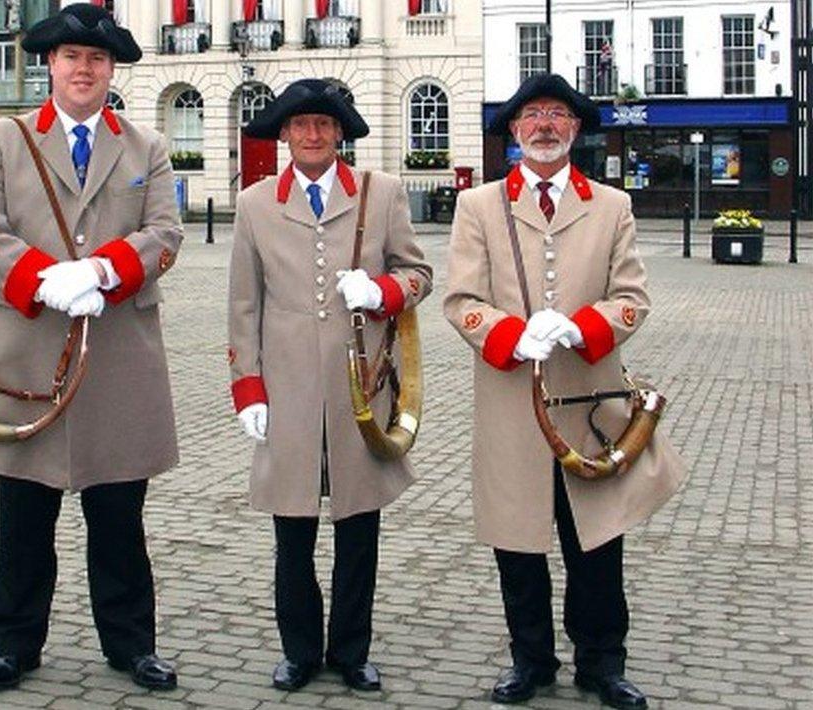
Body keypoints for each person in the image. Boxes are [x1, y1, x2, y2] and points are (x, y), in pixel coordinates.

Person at [0, 4, 183, 693]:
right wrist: (45, 278)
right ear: (49, 65)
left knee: (119, 516)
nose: (83, 70)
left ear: (111, 69)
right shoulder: (4, 138)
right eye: (70, 58)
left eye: (96, 59)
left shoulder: (146, 146)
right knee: (23, 516)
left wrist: (104, 270)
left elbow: (165, 233)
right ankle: (13, 644)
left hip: (118, 355)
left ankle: (131, 643)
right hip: (28, 354)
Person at [443, 74, 685, 709]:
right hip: (510, 401)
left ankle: (603, 663)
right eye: (531, 116)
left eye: (557, 115)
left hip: (592, 404)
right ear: (514, 132)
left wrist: (582, 326)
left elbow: (633, 299)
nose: (544, 125)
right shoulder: (479, 206)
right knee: (517, 543)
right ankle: (532, 660)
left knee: (597, 544)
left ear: (575, 130)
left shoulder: (610, 205)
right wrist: (505, 334)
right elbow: (461, 298)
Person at [228, 79, 432, 693]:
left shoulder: (383, 193)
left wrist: (384, 291)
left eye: (324, 124)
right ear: (285, 134)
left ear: (340, 133)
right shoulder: (255, 203)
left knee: (358, 525)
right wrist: (248, 387)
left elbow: (418, 272)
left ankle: (350, 650)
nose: (312, 135)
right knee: (292, 528)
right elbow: (243, 303)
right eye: (300, 125)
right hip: (286, 385)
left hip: (360, 386)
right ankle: (298, 650)